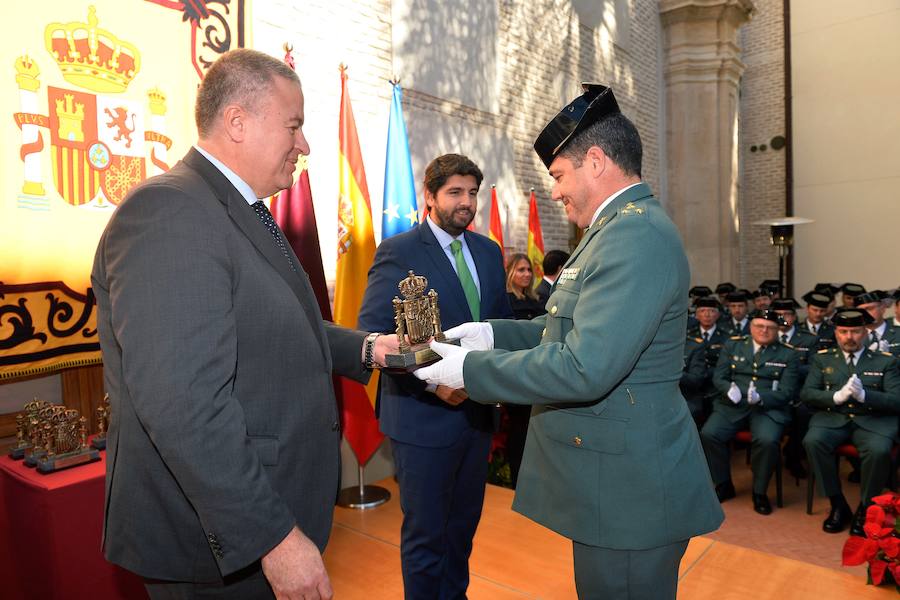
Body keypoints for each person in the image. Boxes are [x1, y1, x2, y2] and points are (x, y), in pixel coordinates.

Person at [91, 49, 398, 600]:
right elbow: (182, 404)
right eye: (294, 125)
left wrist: (372, 350)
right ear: (237, 122)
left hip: (248, 524)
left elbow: (276, 326)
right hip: (215, 544)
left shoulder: (236, 210)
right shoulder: (171, 212)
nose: (303, 144)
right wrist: (273, 538)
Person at [415, 83, 723, 600]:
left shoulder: (634, 236)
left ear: (596, 161)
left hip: (630, 495)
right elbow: (562, 328)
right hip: (615, 483)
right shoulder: (613, 231)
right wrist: (490, 333)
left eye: (559, 175)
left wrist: (466, 371)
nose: (555, 191)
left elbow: (584, 366)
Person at [357, 153, 512, 599]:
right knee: (427, 537)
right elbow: (375, 333)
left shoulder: (487, 251)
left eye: (472, 193)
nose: (466, 203)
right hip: (422, 416)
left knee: (462, 531)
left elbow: (496, 326)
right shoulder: (398, 251)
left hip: (476, 416)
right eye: (455, 193)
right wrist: (433, 382)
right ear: (430, 196)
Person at [801, 308, 900, 535]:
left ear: (865, 332)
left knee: (878, 450)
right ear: (836, 332)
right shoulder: (823, 358)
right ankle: (837, 504)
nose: (849, 337)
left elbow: (896, 400)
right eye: (844, 331)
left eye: (855, 331)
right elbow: (807, 393)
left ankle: (865, 508)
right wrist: (835, 397)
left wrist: (866, 396)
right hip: (832, 417)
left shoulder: (886, 361)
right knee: (813, 441)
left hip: (873, 420)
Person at [700, 310, 800, 515]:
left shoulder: (788, 353)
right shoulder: (733, 344)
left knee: (767, 440)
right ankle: (723, 484)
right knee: (709, 434)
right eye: (759, 326)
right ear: (751, 326)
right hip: (733, 405)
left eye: (770, 327)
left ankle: (759, 492)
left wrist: (762, 398)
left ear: (777, 330)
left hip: (768, 408)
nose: (764, 330)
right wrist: (728, 389)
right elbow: (719, 376)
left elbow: (788, 392)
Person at [854, 291, 900, 356]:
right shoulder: (852, 335)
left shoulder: (898, 332)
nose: (865, 313)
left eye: (870, 309)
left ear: (883, 309)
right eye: (861, 311)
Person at [506, 253, 547, 321]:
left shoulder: (538, 298)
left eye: (529, 270)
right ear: (510, 272)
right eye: (521, 270)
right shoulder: (505, 301)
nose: (527, 274)